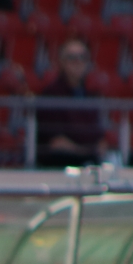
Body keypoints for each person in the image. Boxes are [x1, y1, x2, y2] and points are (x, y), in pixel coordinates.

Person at [36, 37, 105, 167]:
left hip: (89, 160)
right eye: (72, 58)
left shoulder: (91, 95)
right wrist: (86, 153)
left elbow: (99, 139)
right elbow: (56, 142)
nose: (78, 62)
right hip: (61, 162)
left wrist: (95, 151)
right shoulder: (51, 95)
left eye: (83, 57)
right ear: (61, 62)